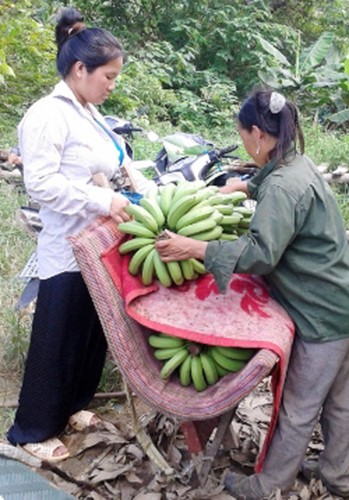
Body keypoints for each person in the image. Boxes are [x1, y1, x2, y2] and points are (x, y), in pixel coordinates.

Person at [156, 90, 349, 498]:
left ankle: (267, 485)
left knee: (299, 408)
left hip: (325, 313)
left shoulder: (283, 185)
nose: (244, 143)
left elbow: (261, 254)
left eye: (243, 136)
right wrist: (237, 189)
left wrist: (194, 248)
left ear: (258, 134)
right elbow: (266, 183)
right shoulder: (296, 162)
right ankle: (337, 476)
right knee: (338, 403)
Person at [6, 7, 147, 462]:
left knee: (91, 333)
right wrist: (103, 201)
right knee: (58, 335)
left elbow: (118, 163)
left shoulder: (89, 113)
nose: (112, 84)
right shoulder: (48, 115)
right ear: (79, 69)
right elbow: (42, 184)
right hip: (68, 246)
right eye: (107, 75)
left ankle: (74, 407)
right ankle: (30, 431)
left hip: (100, 245)